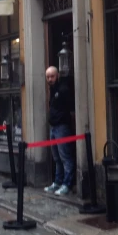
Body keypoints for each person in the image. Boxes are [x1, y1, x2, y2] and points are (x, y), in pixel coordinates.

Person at [43, 66, 76, 196]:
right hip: (53, 127)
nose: (50, 79)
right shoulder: (52, 89)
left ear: (57, 76)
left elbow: (70, 106)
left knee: (65, 157)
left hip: (62, 127)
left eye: (52, 76)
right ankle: (57, 181)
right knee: (56, 157)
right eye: (48, 77)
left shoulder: (62, 89)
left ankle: (67, 184)